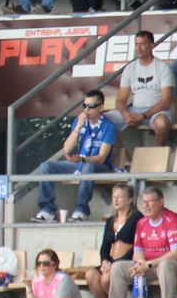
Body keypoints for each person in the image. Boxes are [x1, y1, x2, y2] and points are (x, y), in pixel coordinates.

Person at [33, 90, 116, 223]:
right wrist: (78, 127)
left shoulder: (108, 126)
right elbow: (67, 148)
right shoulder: (79, 121)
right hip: (79, 163)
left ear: (101, 107)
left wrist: (83, 159)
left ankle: (81, 211)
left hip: (99, 166)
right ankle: (48, 210)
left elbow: (101, 157)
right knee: (46, 166)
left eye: (91, 106)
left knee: (87, 167)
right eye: (85, 106)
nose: (86, 110)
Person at [108, 186, 177, 298]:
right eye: (143, 202)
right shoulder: (142, 223)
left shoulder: (173, 220)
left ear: (161, 202)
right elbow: (137, 253)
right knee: (118, 267)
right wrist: (142, 264)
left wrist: (149, 264)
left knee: (165, 265)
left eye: (149, 202)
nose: (145, 206)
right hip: (150, 266)